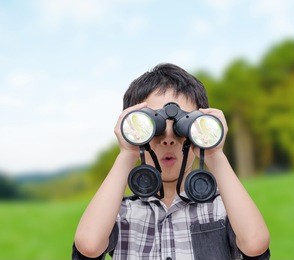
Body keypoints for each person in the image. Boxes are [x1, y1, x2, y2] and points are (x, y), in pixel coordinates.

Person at [72, 63, 270, 260]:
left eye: (182, 126)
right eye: (154, 126)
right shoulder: (121, 212)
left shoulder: (223, 207)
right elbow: (89, 246)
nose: (168, 138)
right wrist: (127, 153)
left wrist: (214, 154)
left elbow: (255, 244)